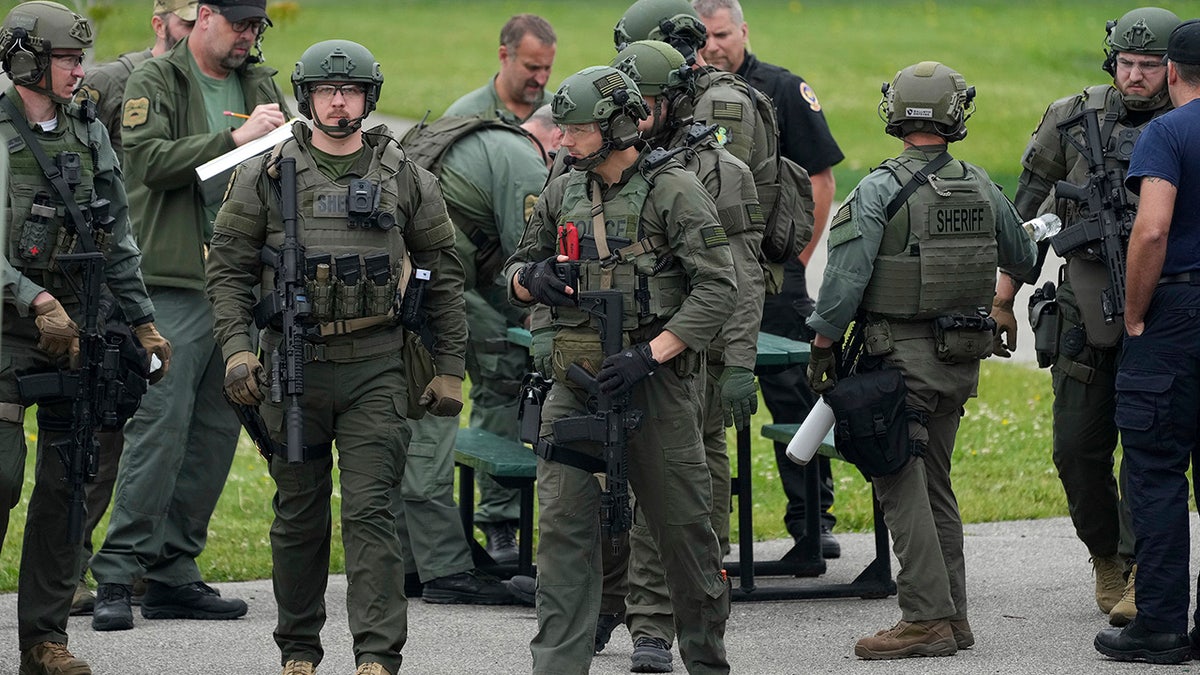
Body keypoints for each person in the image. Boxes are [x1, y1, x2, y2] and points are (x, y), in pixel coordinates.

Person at [206, 39, 468, 675]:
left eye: (350, 91)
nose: (339, 102)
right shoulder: (266, 173)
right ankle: (298, 649)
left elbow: (445, 274)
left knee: (372, 510)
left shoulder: (404, 175)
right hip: (293, 369)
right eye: (327, 90)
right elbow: (230, 272)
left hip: (377, 362)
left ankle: (377, 655)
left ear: (369, 97)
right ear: (308, 96)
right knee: (297, 513)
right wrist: (239, 352)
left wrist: (451, 368)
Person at [505, 65, 735, 674]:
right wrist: (534, 281)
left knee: (685, 537)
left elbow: (718, 288)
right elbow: (515, 269)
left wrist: (649, 354)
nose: (561, 141)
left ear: (617, 128)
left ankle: (707, 660)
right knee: (560, 538)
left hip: (656, 389)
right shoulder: (562, 188)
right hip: (574, 386)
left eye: (575, 130)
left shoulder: (675, 191)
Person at [806, 61, 1037, 659]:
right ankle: (953, 617)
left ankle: (926, 618)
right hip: (959, 357)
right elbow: (1024, 253)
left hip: (896, 360)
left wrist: (825, 344)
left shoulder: (879, 188)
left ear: (896, 113)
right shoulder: (981, 185)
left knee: (898, 484)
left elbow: (844, 280)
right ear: (955, 114)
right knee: (934, 484)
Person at [90, 0, 290, 632]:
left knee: (214, 434)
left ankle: (174, 572)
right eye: (238, 24)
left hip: (235, 283)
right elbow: (148, 164)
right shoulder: (157, 79)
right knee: (159, 429)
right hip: (172, 281)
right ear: (203, 16)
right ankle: (119, 573)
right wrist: (234, 140)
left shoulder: (258, 81)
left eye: (257, 26)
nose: (248, 37)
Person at [990, 6, 1181, 627]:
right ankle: (1107, 555)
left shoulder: (1187, 123)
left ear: (1171, 68)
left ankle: (1139, 567)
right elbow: (1027, 213)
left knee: (1151, 447)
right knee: (1077, 446)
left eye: (1149, 67)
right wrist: (1003, 296)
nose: (1135, 77)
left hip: (1164, 301)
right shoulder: (1071, 118)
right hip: (1084, 298)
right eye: (1126, 64)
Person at [0, 2, 170, 672]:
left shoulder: (87, 129)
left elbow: (117, 232)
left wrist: (144, 319)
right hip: (9, 332)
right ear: (26, 61)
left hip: (82, 327)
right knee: (1, 476)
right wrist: (34, 298)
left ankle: (45, 638)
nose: (80, 70)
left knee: (69, 488)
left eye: (79, 57)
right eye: (68, 59)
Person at [609, 39, 763, 672]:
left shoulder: (720, 171)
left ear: (671, 102)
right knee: (620, 494)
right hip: (624, 358)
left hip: (701, 357)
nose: (635, 118)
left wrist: (742, 364)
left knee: (694, 501)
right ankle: (640, 621)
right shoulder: (597, 161)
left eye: (645, 105)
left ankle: (681, 622)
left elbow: (743, 275)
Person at [693, 0, 846, 559]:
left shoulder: (781, 90)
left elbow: (819, 180)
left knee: (794, 394)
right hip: (706, 281)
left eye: (723, 34)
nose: (713, 46)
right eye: (704, 36)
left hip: (775, 277)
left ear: (744, 31)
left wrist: (797, 259)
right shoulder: (686, 96)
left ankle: (812, 521)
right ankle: (707, 530)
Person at [389, 109, 553, 601]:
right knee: (444, 407)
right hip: (432, 292)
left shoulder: (471, 134)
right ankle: (445, 568)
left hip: (404, 285)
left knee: (410, 415)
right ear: (554, 138)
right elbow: (528, 258)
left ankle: (411, 559)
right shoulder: (524, 159)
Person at [68, 0, 196, 617]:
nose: (196, 33)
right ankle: (67, 571)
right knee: (102, 430)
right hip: (108, 280)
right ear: (159, 20)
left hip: (158, 280)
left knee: (161, 429)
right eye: (187, 21)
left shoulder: (206, 87)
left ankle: (150, 566)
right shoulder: (115, 82)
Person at [1094, 18, 1200, 666]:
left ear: (1169, 71)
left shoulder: (1166, 131)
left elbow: (1152, 230)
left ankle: (1159, 622)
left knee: (1157, 471)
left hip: (1178, 309)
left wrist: (1136, 314)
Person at [75, 0, 197, 161]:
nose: (199, 35)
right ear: (159, 26)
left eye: (204, 26)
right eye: (189, 25)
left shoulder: (218, 81)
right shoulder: (109, 81)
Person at [444, 13, 556, 125]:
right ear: (504, 55)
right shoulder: (463, 118)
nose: (541, 80)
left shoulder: (559, 114)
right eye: (532, 68)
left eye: (547, 68)